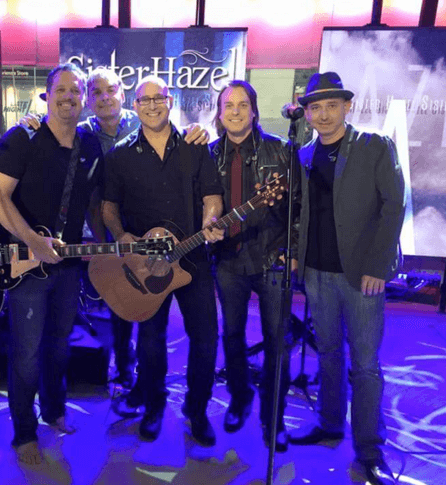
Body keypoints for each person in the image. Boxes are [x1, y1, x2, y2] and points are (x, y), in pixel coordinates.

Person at [22, 67, 210, 389]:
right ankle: (124, 369)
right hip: (108, 228)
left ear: (123, 95)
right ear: (88, 100)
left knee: (151, 311)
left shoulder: (143, 121)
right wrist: (32, 123)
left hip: (149, 231)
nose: (104, 97)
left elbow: (178, 142)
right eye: (96, 92)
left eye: (110, 90)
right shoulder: (81, 133)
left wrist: (199, 130)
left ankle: (145, 383)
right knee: (120, 304)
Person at [289, 72, 405, 485]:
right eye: (316, 107)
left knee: (365, 365)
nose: (323, 114)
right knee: (327, 354)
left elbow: (394, 206)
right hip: (316, 273)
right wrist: (296, 257)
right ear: (307, 114)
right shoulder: (304, 154)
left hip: (362, 276)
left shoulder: (374, 146)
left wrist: (378, 266)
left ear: (347, 107)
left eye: (331, 106)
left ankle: (370, 450)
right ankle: (330, 423)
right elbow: (301, 213)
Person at [0, 63, 104, 467]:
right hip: (27, 264)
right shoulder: (24, 137)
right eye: (61, 90)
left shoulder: (90, 144)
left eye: (76, 91)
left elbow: (94, 203)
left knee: (59, 346)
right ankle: (24, 433)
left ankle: (54, 411)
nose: (69, 97)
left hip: (67, 266)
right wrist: (32, 241)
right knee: (27, 352)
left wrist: (105, 243)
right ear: (47, 95)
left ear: (83, 98)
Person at [102, 75, 224, 446]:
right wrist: (120, 234)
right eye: (145, 99)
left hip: (193, 258)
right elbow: (109, 208)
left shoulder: (195, 146)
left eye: (159, 98)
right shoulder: (120, 155)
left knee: (205, 338)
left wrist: (211, 220)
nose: (152, 105)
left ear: (170, 102)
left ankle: (197, 410)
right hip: (146, 265)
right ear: (135, 106)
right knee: (151, 341)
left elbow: (212, 197)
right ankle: (154, 406)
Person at [209, 80, 299, 452]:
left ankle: (273, 418)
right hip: (228, 260)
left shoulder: (281, 151)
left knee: (278, 342)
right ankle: (240, 396)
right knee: (232, 335)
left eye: (242, 104)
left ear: (254, 110)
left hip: (272, 258)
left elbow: (299, 207)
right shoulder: (209, 154)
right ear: (219, 113)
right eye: (228, 105)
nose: (235, 111)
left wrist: (292, 249)